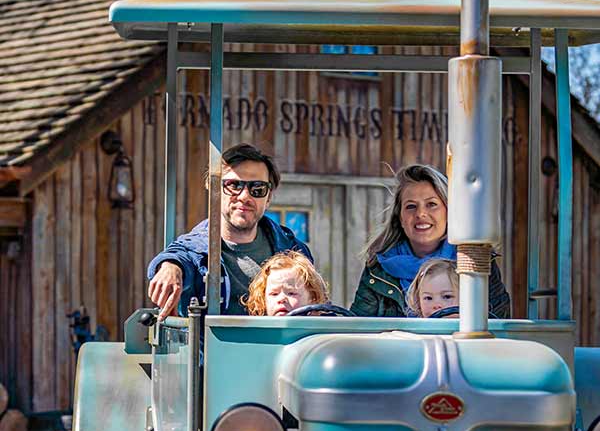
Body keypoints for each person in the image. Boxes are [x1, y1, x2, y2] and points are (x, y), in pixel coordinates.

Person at [147, 143, 312, 318]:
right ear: (214, 190)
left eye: (257, 189)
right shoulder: (195, 250)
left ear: (269, 197)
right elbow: (178, 255)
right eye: (234, 185)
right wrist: (170, 268)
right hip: (213, 346)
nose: (244, 196)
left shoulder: (294, 250)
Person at [350, 164, 510, 318]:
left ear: (449, 212)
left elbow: (497, 324)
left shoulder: (475, 262)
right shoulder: (378, 268)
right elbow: (357, 329)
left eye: (431, 204)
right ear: (400, 217)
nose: (421, 214)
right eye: (411, 206)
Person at [243, 251, 329, 316]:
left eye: (291, 293)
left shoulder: (323, 335)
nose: (281, 299)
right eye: (274, 294)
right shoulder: (257, 337)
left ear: (313, 299)